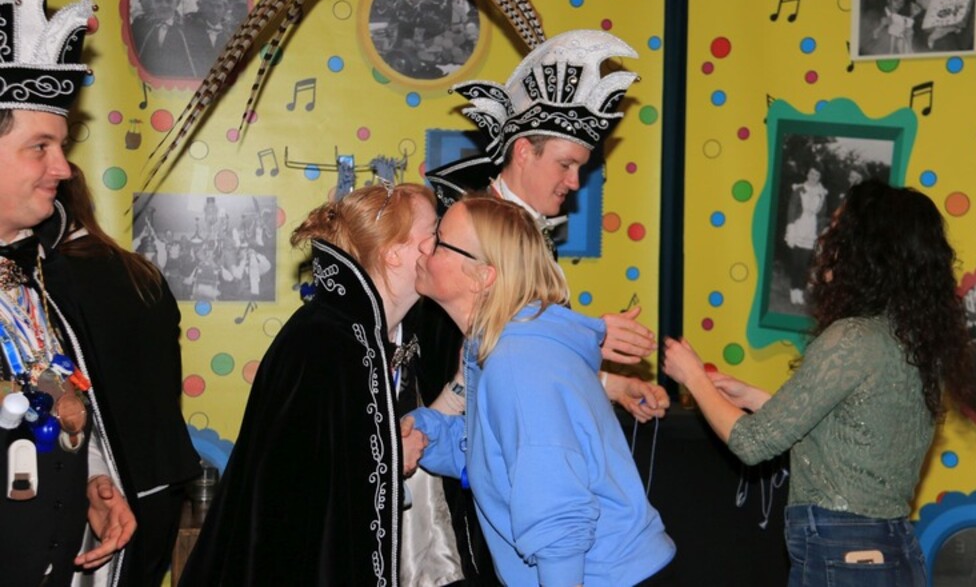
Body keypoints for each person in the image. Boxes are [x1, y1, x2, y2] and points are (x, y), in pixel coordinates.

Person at [421, 28, 667, 584]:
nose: (576, 182)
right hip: (479, 495)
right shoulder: (464, 235)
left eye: (581, 166)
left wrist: (605, 382)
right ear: (523, 151)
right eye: (565, 163)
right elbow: (493, 363)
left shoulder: (529, 238)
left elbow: (524, 373)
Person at [662, 179, 976, 586]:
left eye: (837, 230)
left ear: (867, 250)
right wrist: (747, 394)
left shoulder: (852, 338)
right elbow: (844, 428)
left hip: (843, 552)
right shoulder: (910, 339)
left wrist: (693, 376)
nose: (825, 240)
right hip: (890, 548)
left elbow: (751, 443)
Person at [179, 183, 454, 586]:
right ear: (394, 254)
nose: (442, 250)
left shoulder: (374, 334)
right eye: (433, 236)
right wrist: (392, 456)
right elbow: (295, 489)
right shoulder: (323, 342)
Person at [409, 195, 676, 586]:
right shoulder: (505, 347)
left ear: (482, 276)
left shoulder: (516, 362)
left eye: (439, 241)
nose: (424, 248)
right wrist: (427, 433)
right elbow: (498, 457)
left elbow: (558, 510)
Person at [0, 0, 135, 585]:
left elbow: (46, 390)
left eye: (62, 145)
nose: (62, 168)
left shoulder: (36, 275)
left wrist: (92, 478)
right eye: (40, 147)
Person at [46, 162, 203, 587]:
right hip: (163, 474)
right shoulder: (140, 270)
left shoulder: (51, 281)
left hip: (102, 481)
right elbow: (167, 375)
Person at [131, 0, 198, 78]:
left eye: (169, 0)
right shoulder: (140, 26)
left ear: (177, 3)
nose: (163, 5)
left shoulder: (188, 29)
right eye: (158, 1)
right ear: (152, 3)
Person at [783, 166, 827, 307]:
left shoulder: (822, 194)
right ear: (807, 174)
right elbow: (792, 208)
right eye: (812, 174)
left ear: (819, 178)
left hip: (811, 230)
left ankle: (800, 292)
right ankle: (793, 290)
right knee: (796, 262)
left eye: (817, 175)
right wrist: (791, 227)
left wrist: (819, 232)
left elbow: (822, 215)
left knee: (805, 264)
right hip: (798, 227)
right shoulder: (799, 189)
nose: (813, 177)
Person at [185, 0, 234, 76]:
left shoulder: (230, 36)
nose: (215, 11)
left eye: (218, 7)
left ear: (224, 10)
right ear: (203, 7)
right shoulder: (190, 31)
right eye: (211, 6)